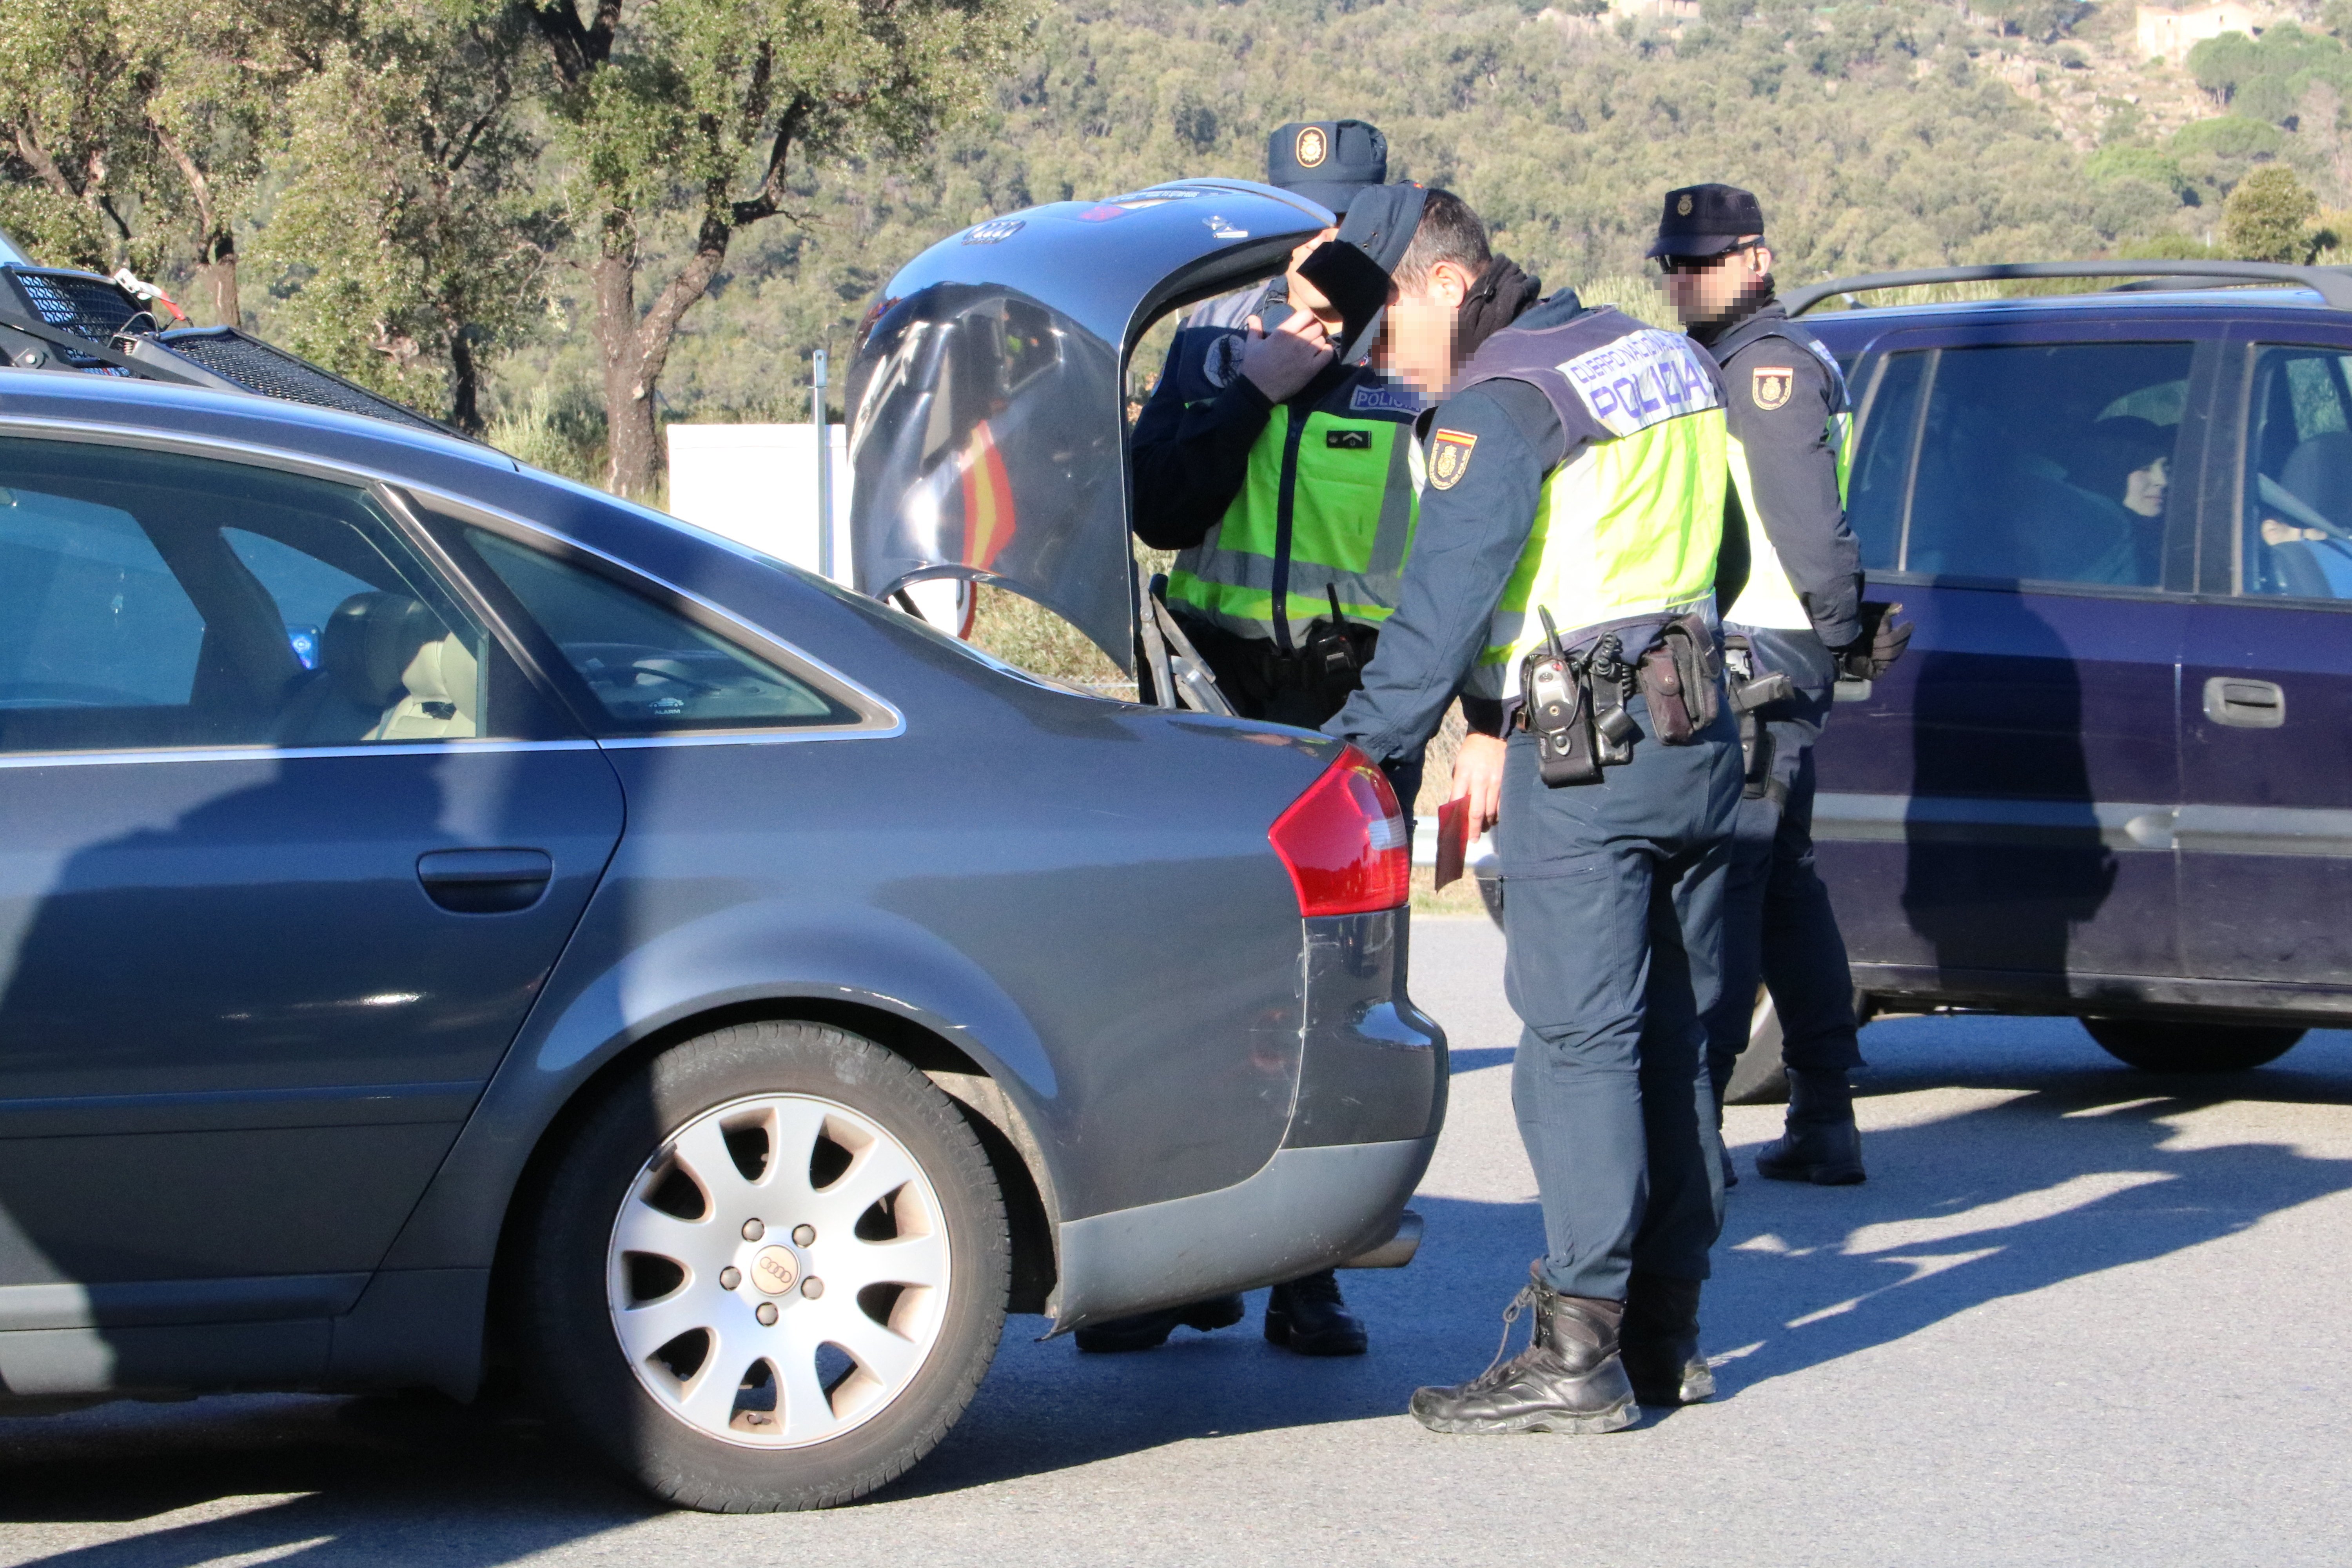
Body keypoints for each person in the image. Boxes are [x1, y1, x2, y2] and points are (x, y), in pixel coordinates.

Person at [1327, 186, 1742, 1429]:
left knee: (1578, 1051)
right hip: (1699, 734)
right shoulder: (1658, 355)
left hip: (1592, 761)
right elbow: (1715, 557)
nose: (1371, 349)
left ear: (1446, 285)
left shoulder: (1501, 403)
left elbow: (1440, 614)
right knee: (1675, 1044)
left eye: (1380, 316)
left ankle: (1575, 1358)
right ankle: (1666, 1336)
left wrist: (1352, 758)